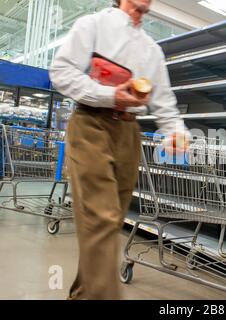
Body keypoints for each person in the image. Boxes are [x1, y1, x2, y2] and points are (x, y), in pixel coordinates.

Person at [49, 0, 187, 300]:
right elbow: (61, 72)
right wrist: (111, 95)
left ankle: (85, 293)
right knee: (102, 215)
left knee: (110, 222)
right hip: (90, 124)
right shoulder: (93, 25)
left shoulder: (151, 49)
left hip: (129, 133)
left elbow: (163, 99)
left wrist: (175, 131)